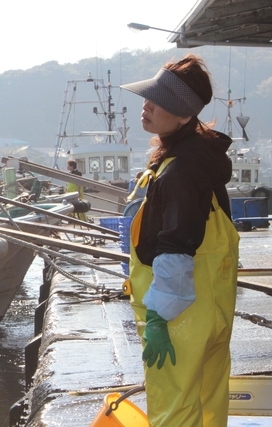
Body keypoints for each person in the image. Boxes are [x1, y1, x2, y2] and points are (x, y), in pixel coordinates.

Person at [121, 54, 239, 426]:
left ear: (185, 116)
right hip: (211, 311)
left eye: (160, 102)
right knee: (207, 401)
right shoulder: (200, 160)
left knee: (175, 409)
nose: (147, 106)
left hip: (177, 316)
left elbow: (176, 249)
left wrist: (158, 319)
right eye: (148, 97)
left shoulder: (177, 172)